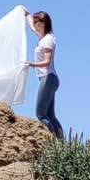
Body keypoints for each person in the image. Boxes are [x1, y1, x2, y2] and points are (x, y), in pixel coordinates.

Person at [24, 9, 62, 139]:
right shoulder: (42, 37)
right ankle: (62, 145)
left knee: (41, 114)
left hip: (48, 78)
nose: (35, 25)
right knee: (50, 115)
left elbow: (47, 61)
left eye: (37, 22)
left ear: (44, 23)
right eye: (34, 22)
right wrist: (25, 12)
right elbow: (31, 26)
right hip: (48, 79)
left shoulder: (47, 40)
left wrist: (30, 64)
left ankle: (54, 144)